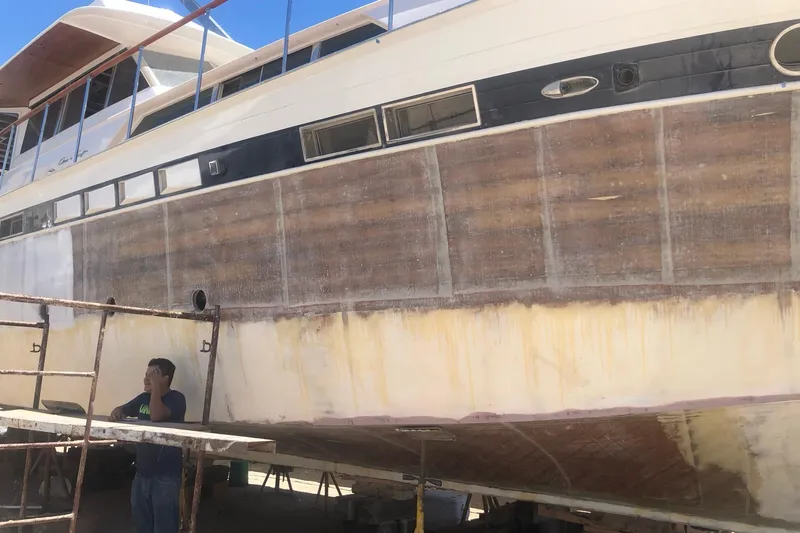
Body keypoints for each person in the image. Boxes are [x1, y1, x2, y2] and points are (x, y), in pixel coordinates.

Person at [110, 358, 187, 533]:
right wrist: (118, 411)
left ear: (165, 378)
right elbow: (122, 409)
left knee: (164, 525)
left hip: (166, 475)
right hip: (142, 472)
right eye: (146, 374)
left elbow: (157, 416)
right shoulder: (143, 398)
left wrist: (156, 388)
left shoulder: (176, 398)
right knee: (141, 524)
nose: (146, 379)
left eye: (152, 375)